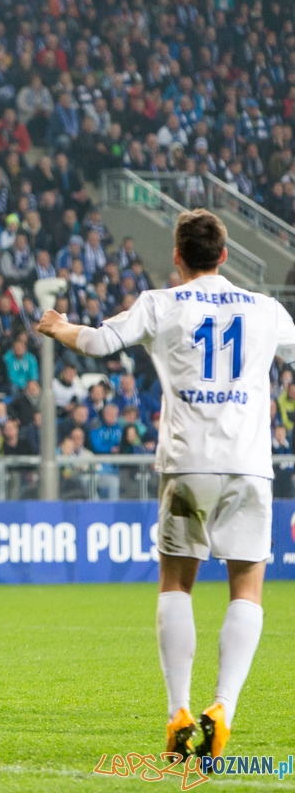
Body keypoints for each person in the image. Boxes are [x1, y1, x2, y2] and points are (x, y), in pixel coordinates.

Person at [38, 209, 295, 760]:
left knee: (176, 583)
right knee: (247, 588)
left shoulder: (161, 303)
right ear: (225, 255)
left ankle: (179, 711)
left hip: (188, 463)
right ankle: (222, 706)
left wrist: (59, 327)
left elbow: (102, 343)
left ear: (176, 256)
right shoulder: (266, 310)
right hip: (250, 466)